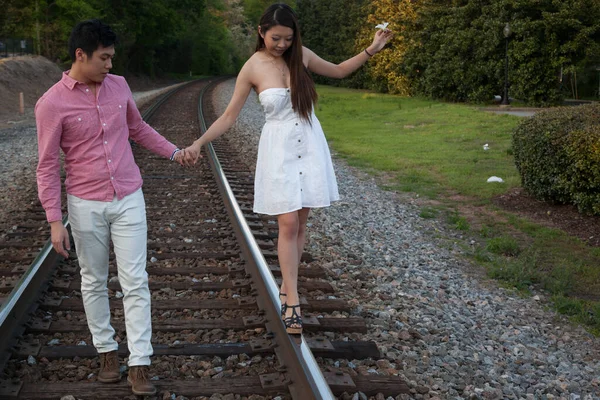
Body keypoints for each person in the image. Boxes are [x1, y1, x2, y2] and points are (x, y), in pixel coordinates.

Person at [182, 4, 392, 334]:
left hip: (308, 142)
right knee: (288, 221)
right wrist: (198, 143)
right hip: (278, 148)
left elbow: (338, 70)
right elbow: (228, 116)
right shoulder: (252, 67)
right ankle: (292, 297)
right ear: (261, 32)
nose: (282, 45)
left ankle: (288, 285)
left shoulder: (301, 56)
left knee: (301, 221)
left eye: (288, 39)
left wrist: (372, 49)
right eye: (276, 38)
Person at [35, 19, 184, 396]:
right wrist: (55, 220)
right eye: (104, 58)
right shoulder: (52, 103)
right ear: (80, 55)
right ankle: (106, 351)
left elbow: (138, 129)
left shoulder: (118, 87)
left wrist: (173, 152)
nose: (110, 66)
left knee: (136, 280)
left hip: (129, 197)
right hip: (85, 205)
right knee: (94, 280)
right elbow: (47, 165)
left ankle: (139, 362)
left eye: (112, 58)